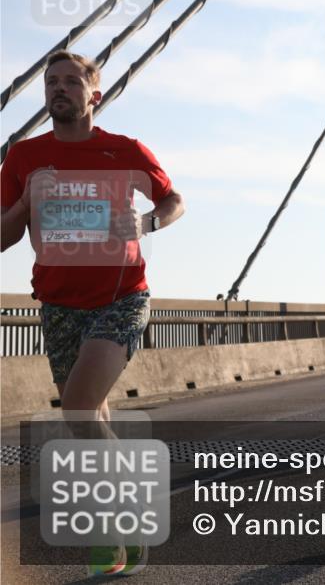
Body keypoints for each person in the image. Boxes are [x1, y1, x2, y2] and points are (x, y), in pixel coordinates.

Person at [0, 50, 184, 575]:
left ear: (94, 94)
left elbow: (174, 200)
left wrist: (146, 224)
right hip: (59, 305)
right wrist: (24, 204)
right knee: (92, 417)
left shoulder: (123, 150)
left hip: (121, 298)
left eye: (70, 81)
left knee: (79, 409)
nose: (58, 89)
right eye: (50, 82)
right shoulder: (23, 157)